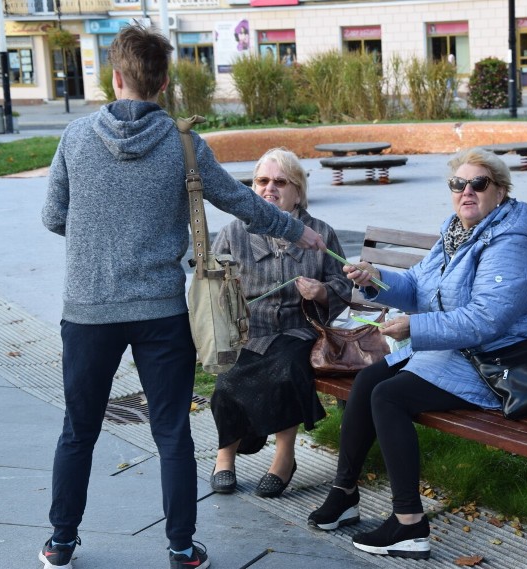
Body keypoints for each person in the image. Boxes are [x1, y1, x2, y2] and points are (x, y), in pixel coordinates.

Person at [39, 24, 325, 569]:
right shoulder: (183, 143)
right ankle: (180, 549)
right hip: (161, 313)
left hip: (88, 311)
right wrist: (297, 231)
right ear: (165, 81)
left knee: (78, 430)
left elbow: (54, 218)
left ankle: (61, 543)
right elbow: (240, 200)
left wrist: (101, 229)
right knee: (170, 430)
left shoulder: (74, 138)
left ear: (115, 78)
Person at [306, 147, 527, 560]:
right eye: (458, 184)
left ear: (501, 192)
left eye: (478, 183)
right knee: (367, 381)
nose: (466, 191)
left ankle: (409, 524)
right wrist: (377, 279)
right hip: (457, 352)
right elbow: (417, 285)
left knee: (389, 395)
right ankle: (344, 493)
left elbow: (486, 320)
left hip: (495, 365)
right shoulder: (457, 233)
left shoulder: (510, 244)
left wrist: (415, 327)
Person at [209, 148, 352, 498]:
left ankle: (284, 459)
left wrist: (320, 292)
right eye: (262, 181)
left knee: (287, 369)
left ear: (298, 191)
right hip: (248, 329)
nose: (269, 188)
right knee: (229, 375)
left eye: (280, 182)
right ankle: (224, 456)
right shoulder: (233, 232)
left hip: (297, 328)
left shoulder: (319, 232)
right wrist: (228, 290)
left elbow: (343, 286)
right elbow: (211, 286)